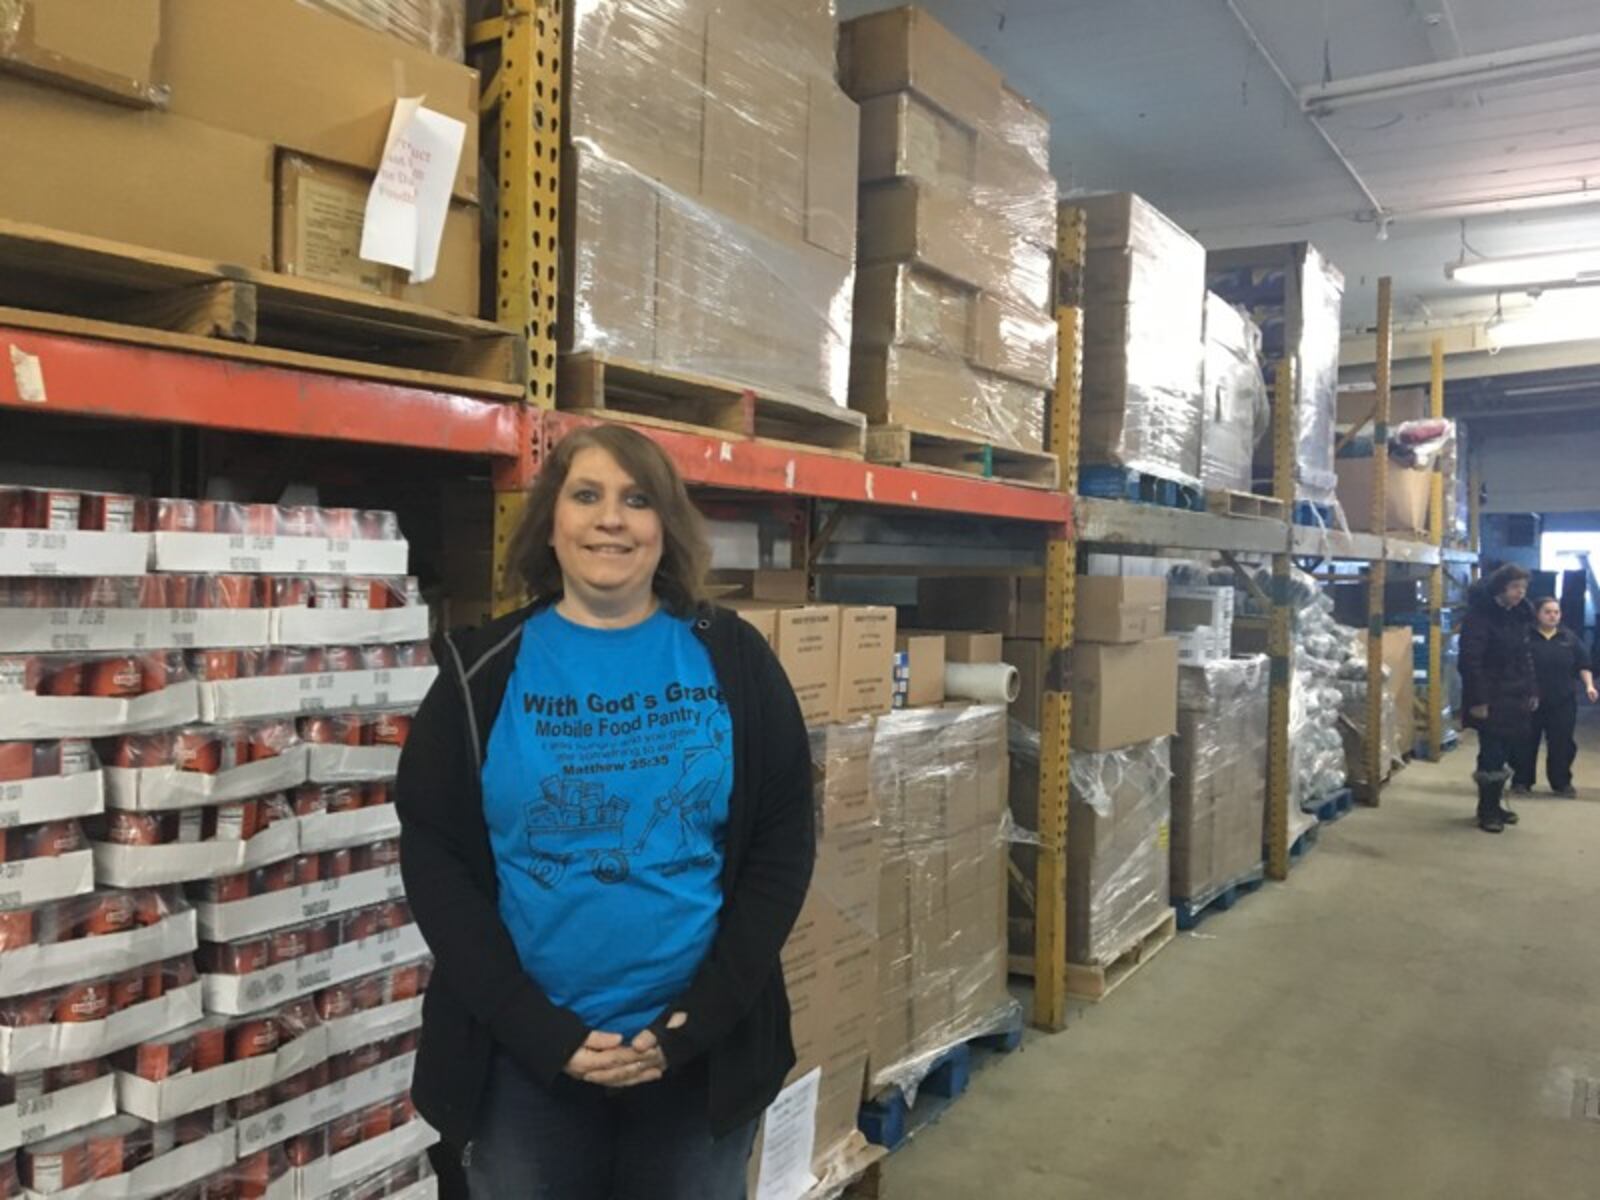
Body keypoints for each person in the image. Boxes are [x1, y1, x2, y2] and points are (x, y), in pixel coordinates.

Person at [396, 424, 815, 1199]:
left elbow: (783, 845)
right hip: (523, 1064)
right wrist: (535, 1027)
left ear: (667, 527)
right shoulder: (479, 671)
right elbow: (435, 859)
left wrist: (695, 1023)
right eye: (586, 496)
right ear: (551, 524)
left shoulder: (733, 657)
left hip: (697, 1059)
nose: (611, 519)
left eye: (638, 499)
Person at [1459, 563, 1538, 833]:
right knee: (1491, 753)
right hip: (1490, 697)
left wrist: (1532, 690)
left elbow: (1526, 657)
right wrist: (1478, 700)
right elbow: (1471, 661)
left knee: (1505, 751)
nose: (1520, 593)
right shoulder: (1479, 617)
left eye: (1523, 588)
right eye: (1515, 587)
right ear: (1500, 588)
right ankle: (1487, 811)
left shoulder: (1517, 616)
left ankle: (1495, 805)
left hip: (1514, 695)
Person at [1512, 596, 1597, 798]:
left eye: (1556, 612)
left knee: (1562, 743)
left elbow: (1583, 665)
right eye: (1547, 612)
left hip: (1562, 700)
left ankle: (1561, 783)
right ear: (1537, 614)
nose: (1552, 616)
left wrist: (1590, 686)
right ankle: (1522, 780)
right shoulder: (1525, 636)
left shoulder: (1569, 638)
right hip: (1530, 700)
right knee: (1525, 742)